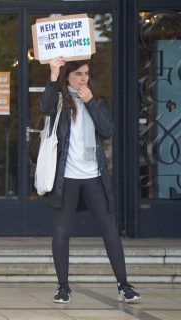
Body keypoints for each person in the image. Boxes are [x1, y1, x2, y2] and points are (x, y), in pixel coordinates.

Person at [42, 57, 141, 304]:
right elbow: (44, 105)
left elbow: (108, 130)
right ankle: (63, 287)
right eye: (78, 74)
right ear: (68, 77)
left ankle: (124, 285)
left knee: (110, 231)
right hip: (67, 178)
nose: (84, 78)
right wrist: (53, 75)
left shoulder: (95, 101)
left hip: (94, 177)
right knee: (62, 232)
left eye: (86, 74)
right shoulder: (59, 102)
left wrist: (91, 103)